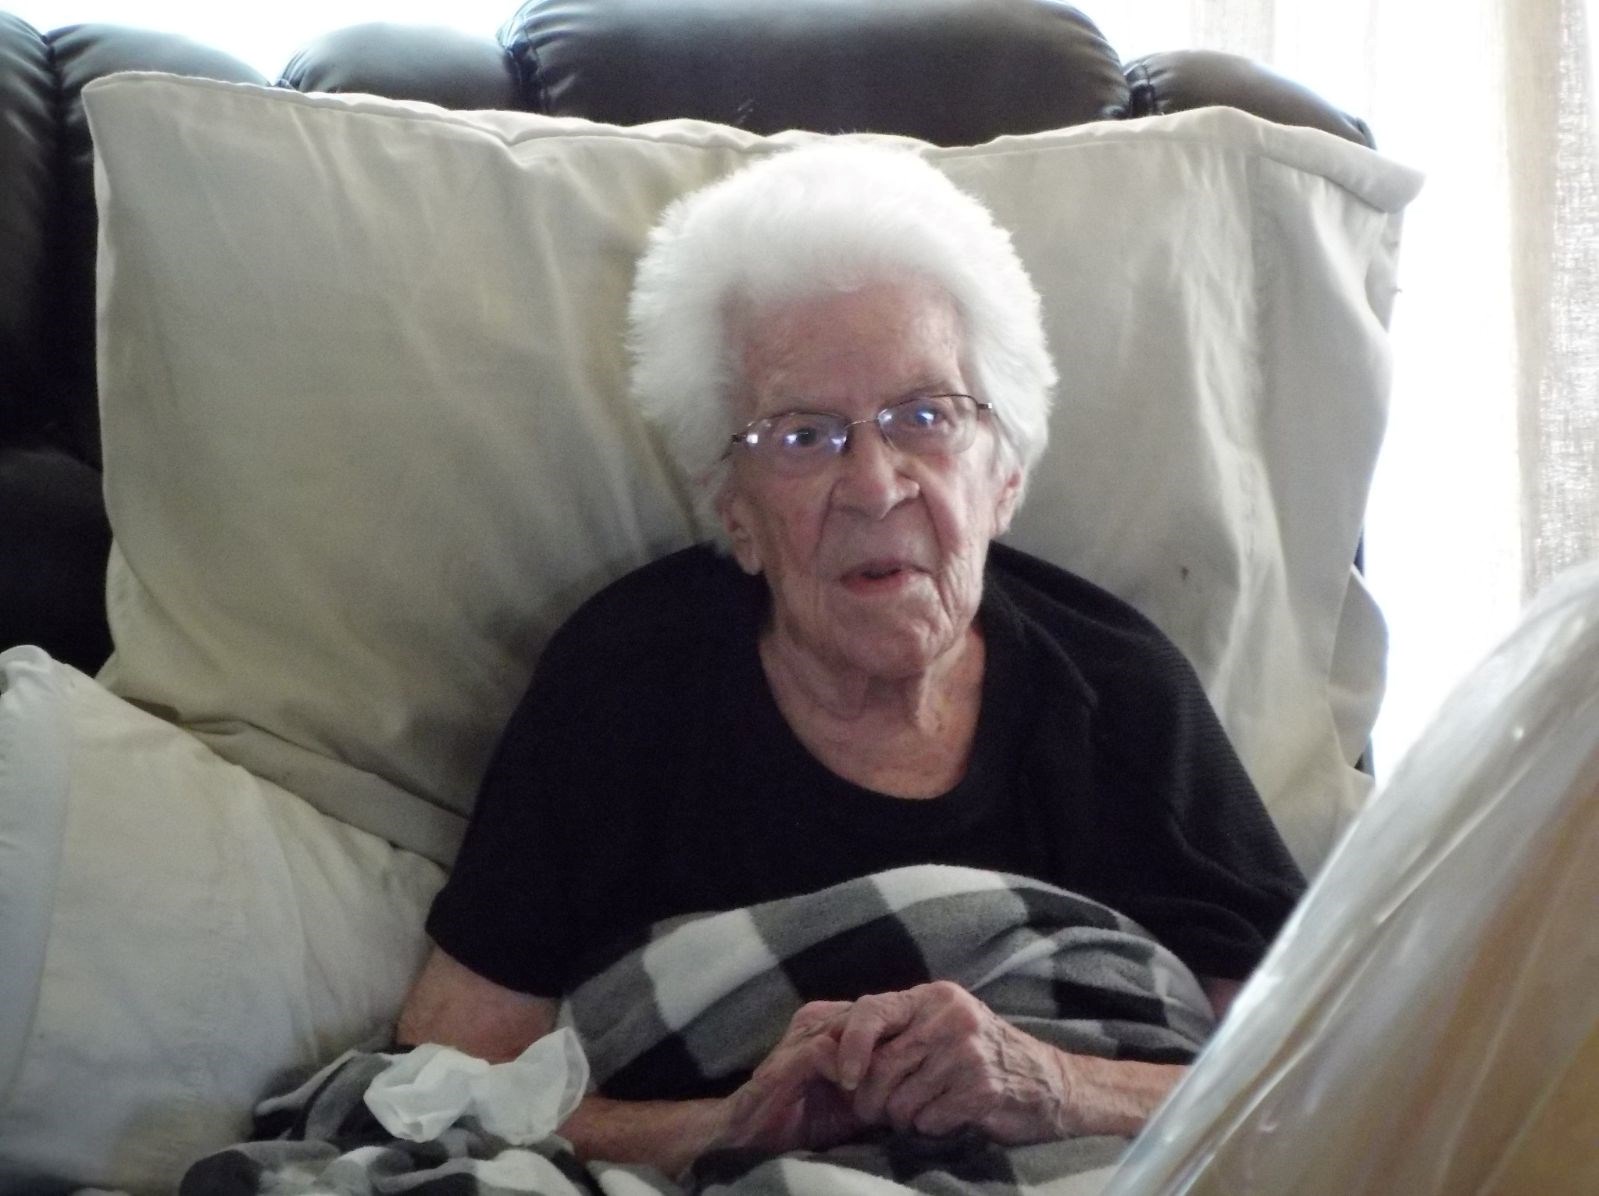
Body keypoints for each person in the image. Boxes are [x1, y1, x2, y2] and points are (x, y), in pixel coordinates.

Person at [397, 143, 1305, 1175]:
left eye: (926, 416)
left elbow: (1317, 1071)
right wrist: (726, 1127)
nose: (875, 485)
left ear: (1004, 475)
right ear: (735, 512)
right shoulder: (625, 684)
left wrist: (1050, 1083)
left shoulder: (1122, 697)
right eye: (803, 436)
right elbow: (442, 1075)